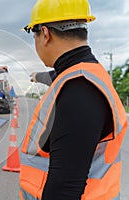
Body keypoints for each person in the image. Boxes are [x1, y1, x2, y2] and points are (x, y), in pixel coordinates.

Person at [19, 0, 128, 199]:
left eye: (32, 34)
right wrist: (36, 76)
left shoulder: (79, 88)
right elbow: (54, 75)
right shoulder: (83, 75)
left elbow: (65, 188)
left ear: (45, 34)